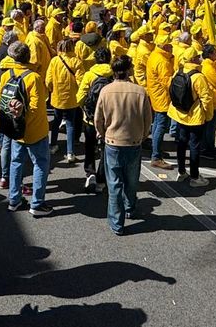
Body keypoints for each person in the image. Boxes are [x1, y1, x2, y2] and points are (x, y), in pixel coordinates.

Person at [94, 55, 153, 235]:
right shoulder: (140, 91)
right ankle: (130, 207)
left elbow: (98, 118)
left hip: (112, 141)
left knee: (114, 182)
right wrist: (142, 135)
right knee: (132, 178)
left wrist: (103, 133)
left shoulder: (106, 91)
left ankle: (116, 222)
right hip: (134, 140)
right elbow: (147, 119)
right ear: (128, 70)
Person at [0, 42, 53, 216]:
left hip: (16, 130)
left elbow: (0, 98)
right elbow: (37, 107)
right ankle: (37, 204)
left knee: (16, 163)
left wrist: (15, 119)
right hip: (35, 130)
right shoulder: (34, 77)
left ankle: (14, 200)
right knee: (40, 164)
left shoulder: (7, 74)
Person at [168, 47, 213, 186]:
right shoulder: (198, 76)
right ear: (193, 59)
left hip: (179, 114)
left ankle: (181, 172)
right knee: (194, 146)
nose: (199, 58)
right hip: (194, 116)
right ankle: (194, 176)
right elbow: (206, 98)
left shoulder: (178, 72)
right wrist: (208, 115)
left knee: (181, 143)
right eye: (197, 57)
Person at [76, 47, 114, 192]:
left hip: (91, 118)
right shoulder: (113, 74)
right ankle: (101, 179)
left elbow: (80, 97)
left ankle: (89, 171)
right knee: (105, 149)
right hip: (109, 119)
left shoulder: (89, 75)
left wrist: (85, 109)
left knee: (89, 145)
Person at [46, 37, 82, 164]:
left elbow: (49, 80)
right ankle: (70, 152)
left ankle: (53, 145)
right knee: (70, 124)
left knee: (56, 121)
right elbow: (80, 81)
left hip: (57, 97)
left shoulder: (54, 61)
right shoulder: (76, 62)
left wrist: (51, 90)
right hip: (71, 98)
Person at [145, 29, 175, 169]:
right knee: (160, 125)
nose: (172, 47)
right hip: (162, 96)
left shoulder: (155, 55)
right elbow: (167, 82)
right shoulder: (162, 61)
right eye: (170, 45)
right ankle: (156, 156)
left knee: (157, 123)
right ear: (164, 46)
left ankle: (155, 150)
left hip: (156, 95)